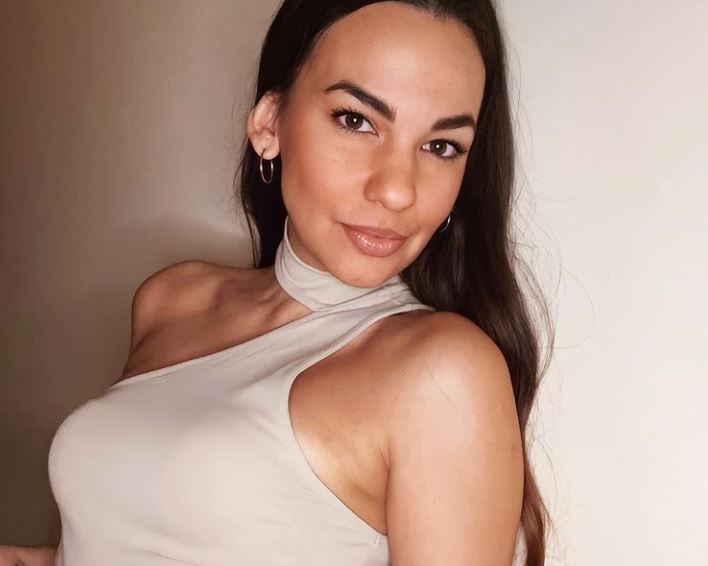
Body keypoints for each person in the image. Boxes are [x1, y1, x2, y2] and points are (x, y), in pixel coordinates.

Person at [1, 0, 554, 565]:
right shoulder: (172, 300)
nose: (397, 190)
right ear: (269, 124)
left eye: (441, 147)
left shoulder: (443, 373)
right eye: (356, 120)